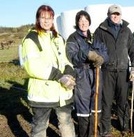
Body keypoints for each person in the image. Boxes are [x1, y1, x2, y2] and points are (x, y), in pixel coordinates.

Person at [21, 5, 76, 137]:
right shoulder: (31, 39)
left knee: (66, 122)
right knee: (40, 126)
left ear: (53, 19)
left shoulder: (58, 38)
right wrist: (59, 76)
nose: (46, 21)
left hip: (62, 92)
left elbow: (66, 59)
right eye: (43, 17)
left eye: (49, 18)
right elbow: (33, 65)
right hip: (42, 94)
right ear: (38, 19)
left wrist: (68, 72)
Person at [94, 4, 134, 136]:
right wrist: (98, 59)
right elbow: (96, 49)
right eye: (113, 14)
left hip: (123, 71)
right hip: (107, 71)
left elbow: (133, 50)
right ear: (108, 15)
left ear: (121, 16)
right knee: (106, 101)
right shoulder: (101, 30)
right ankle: (105, 129)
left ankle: (124, 126)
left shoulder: (126, 31)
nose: (115, 16)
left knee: (123, 100)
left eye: (117, 14)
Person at [66, 10, 108, 137]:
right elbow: (72, 57)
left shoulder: (95, 37)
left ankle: (94, 133)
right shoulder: (73, 38)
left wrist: (102, 59)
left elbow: (105, 52)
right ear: (77, 22)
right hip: (82, 75)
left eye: (86, 20)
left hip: (96, 73)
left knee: (96, 107)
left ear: (89, 22)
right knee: (83, 110)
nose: (83, 23)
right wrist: (86, 54)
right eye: (81, 20)